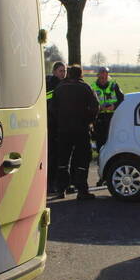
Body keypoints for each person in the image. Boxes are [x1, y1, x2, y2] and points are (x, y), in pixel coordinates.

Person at [51, 64, 99, 200]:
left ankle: (61, 189)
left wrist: (60, 121)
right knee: (83, 159)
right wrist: (89, 121)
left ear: (69, 74)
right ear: (80, 75)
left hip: (63, 130)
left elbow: (52, 108)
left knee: (63, 160)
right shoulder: (86, 88)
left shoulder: (59, 88)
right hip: (81, 130)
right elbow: (96, 107)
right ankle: (82, 189)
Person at [45, 61, 66, 194]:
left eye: (64, 71)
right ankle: (49, 183)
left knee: (60, 155)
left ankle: (59, 183)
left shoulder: (64, 84)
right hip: (50, 123)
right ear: (54, 72)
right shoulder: (51, 84)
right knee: (51, 155)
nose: (63, 74)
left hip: (60, 124)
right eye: (60, 71)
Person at [91, 66, 124, 153]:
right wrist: (98, 108)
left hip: (112, 117)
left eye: (106, 77)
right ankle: (100, 160)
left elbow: (122, 99)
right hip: (99, 117)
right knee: (100, 142)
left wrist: (114, 106)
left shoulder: (114, 85)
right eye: (102, 77)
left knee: (113, 140)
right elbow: (89, 104)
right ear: (97, 76)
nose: (104, 79)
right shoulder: (92, 87)